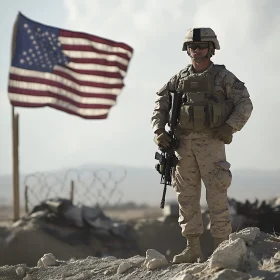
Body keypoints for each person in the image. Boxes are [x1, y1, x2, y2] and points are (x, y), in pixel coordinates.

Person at [151, 27, 253, 264]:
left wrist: (229, 127)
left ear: (211, 48)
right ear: (187, 50)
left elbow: (244, 103)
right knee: (186, 196)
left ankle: (221, 249)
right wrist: (158, 131)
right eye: (192, 47)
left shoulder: (223, 78)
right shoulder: (179, 78)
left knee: (217, 194)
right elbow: (160, 105)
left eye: (201, 47)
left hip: (212, 142)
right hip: (182, 144)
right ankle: (192, 248)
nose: (196, 51)